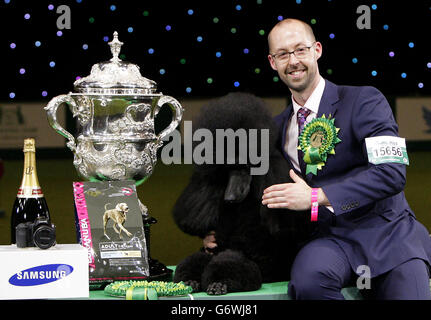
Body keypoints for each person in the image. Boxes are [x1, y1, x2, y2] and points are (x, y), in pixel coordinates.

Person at [261, 18, 431, 300]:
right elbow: (265, 191)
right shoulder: (278, 128)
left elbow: (392, 173)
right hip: (330, 241)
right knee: (307, 283)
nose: (293, 61)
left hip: (389, 234)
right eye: (283, 54)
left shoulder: (366, 100)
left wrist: (317, 197)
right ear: (272, 62)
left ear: (317, 50)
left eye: (300, 50)